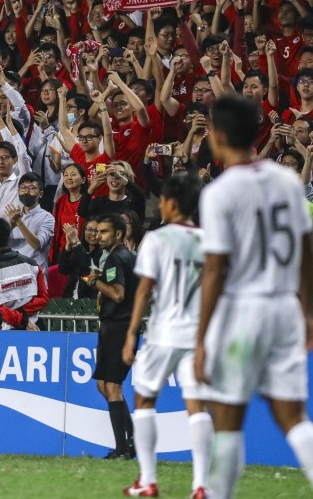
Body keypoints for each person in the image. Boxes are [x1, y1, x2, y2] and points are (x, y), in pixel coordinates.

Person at [195, 94, 313, 498]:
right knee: (294, 418)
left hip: (243, 310)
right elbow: (305, 247)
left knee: (227, 419)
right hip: (285, 309)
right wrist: (308, 312)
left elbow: (215, 268)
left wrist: (200, 339)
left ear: (220, 135)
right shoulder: (287, 181)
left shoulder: (220, 192)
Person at [121, 173, 211, 498]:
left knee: (144, 398)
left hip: (163, 333)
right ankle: (201, 485)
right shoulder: (207, 240)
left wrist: (132, 333)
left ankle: (148, 480)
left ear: (171, 203)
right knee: (197, 406)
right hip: (197, 334)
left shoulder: (157, 239)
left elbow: (145, 291)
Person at [89, 213, 139, 461]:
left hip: (118, 326)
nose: (98, 235)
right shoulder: (128, 256)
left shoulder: (115, 259)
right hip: (116, 326)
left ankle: (123, 449)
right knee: (104, 386)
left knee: (112, 387)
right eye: (97, 231)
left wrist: (93, 281)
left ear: (118, 234)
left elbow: (117, 294)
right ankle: (131, 442)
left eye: (104, 232)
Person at [0, 218, 48, 330]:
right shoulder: (32, 264)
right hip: (35, 328)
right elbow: (43, 298)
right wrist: (23, 317)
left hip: (6, 333)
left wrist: (21, 319)